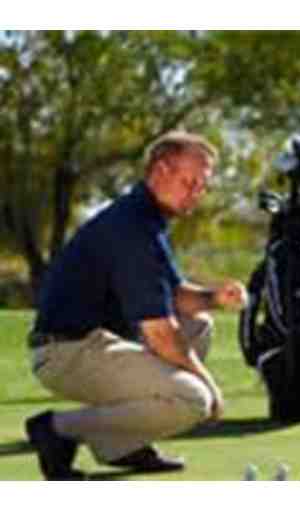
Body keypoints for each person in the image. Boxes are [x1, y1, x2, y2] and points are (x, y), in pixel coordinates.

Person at [25, 131, 248, 480]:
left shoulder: (146, 217)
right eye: (189, 181)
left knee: (199, 324)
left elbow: (174, 296)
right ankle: (58, 428)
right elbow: (160, 334)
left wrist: (214, 298)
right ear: (159, 171)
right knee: (195, 399)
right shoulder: (132, 228)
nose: (197, 192)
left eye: (202, 185)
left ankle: (121, 446)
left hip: (98, 342)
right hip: (66, 353)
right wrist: (210, 385)